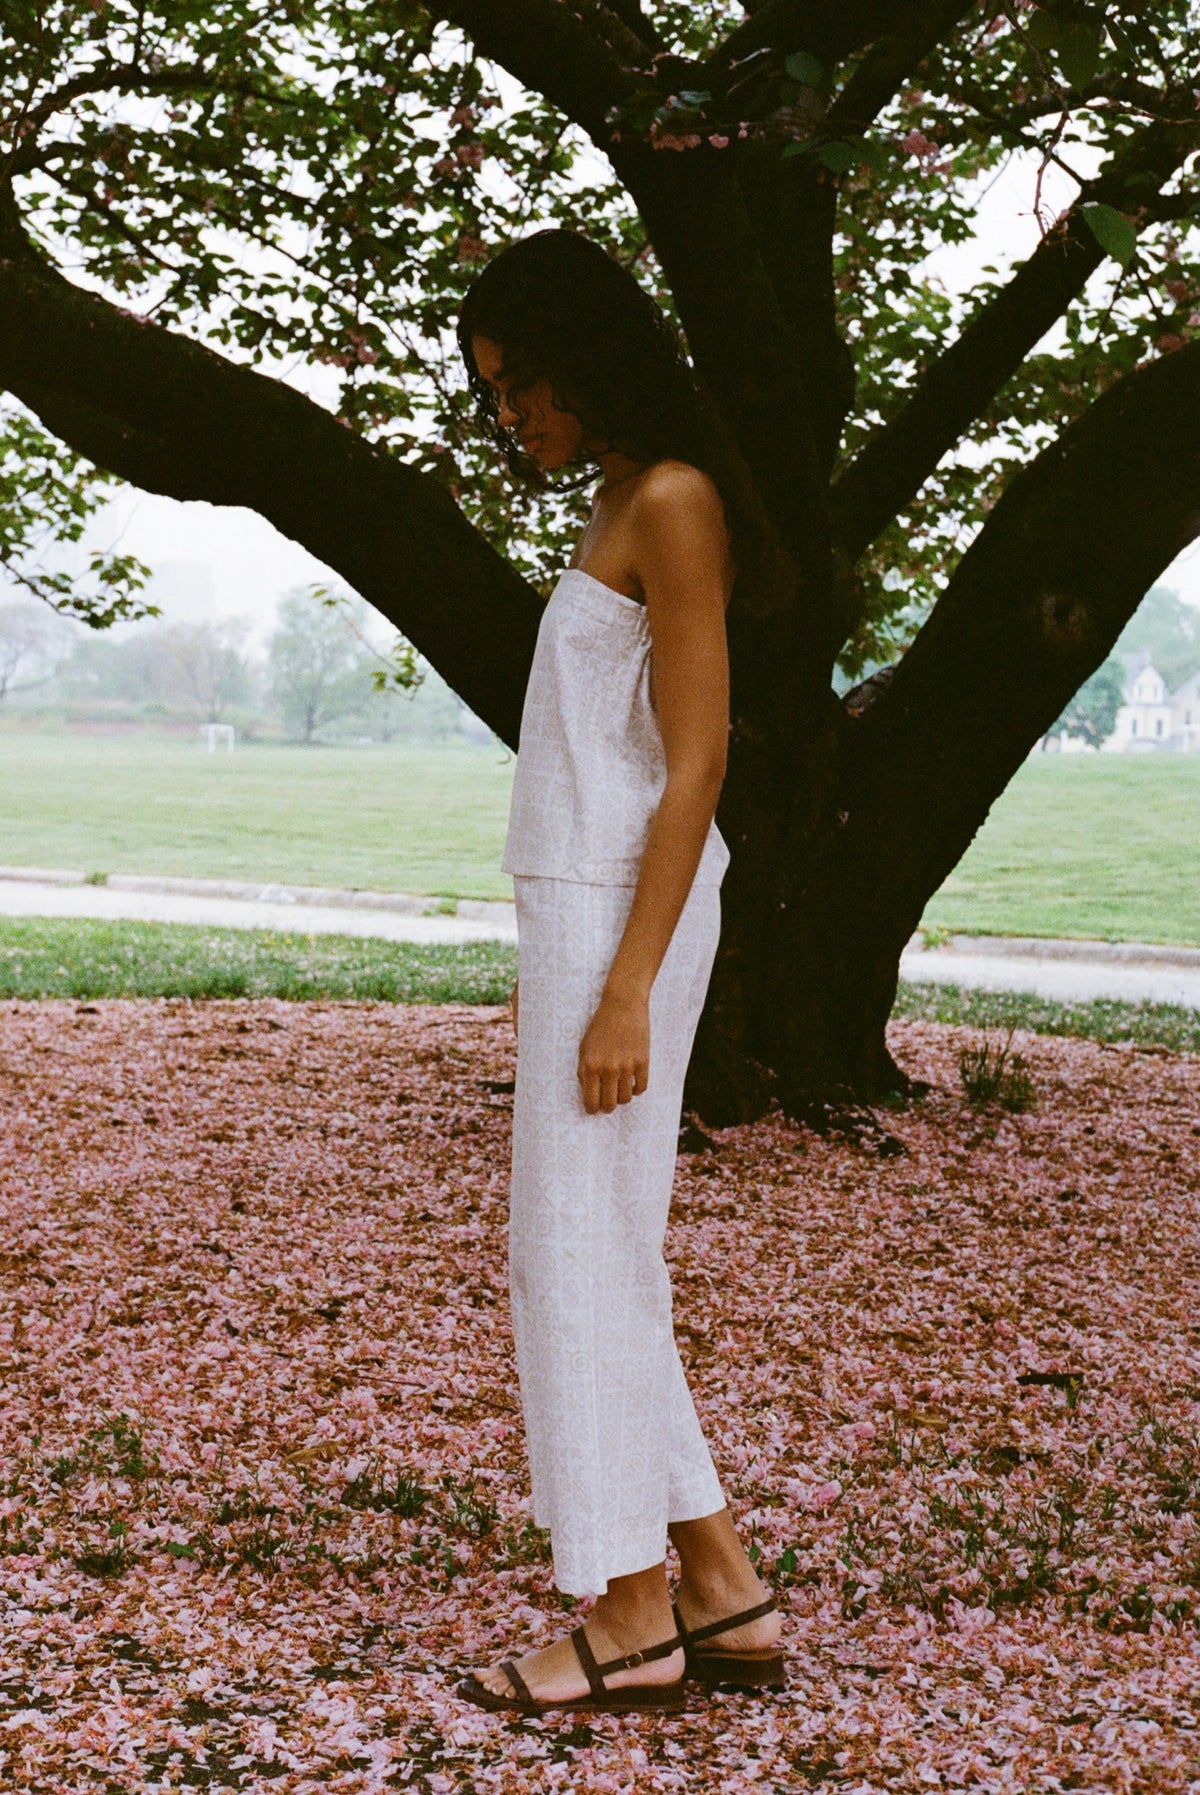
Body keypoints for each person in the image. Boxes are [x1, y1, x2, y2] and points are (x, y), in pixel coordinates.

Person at [454, 229, 783, 1717]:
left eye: (524, 384)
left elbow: (700, 757)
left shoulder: (673, 500)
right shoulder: (622, 498)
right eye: (495, 394)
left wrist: (631, 984)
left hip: (617, 919)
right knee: (599, 1252)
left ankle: (632, 1611)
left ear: (591, 357)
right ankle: (717, 1581)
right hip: (583, 910)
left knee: (573, 1256)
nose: (513, 415)